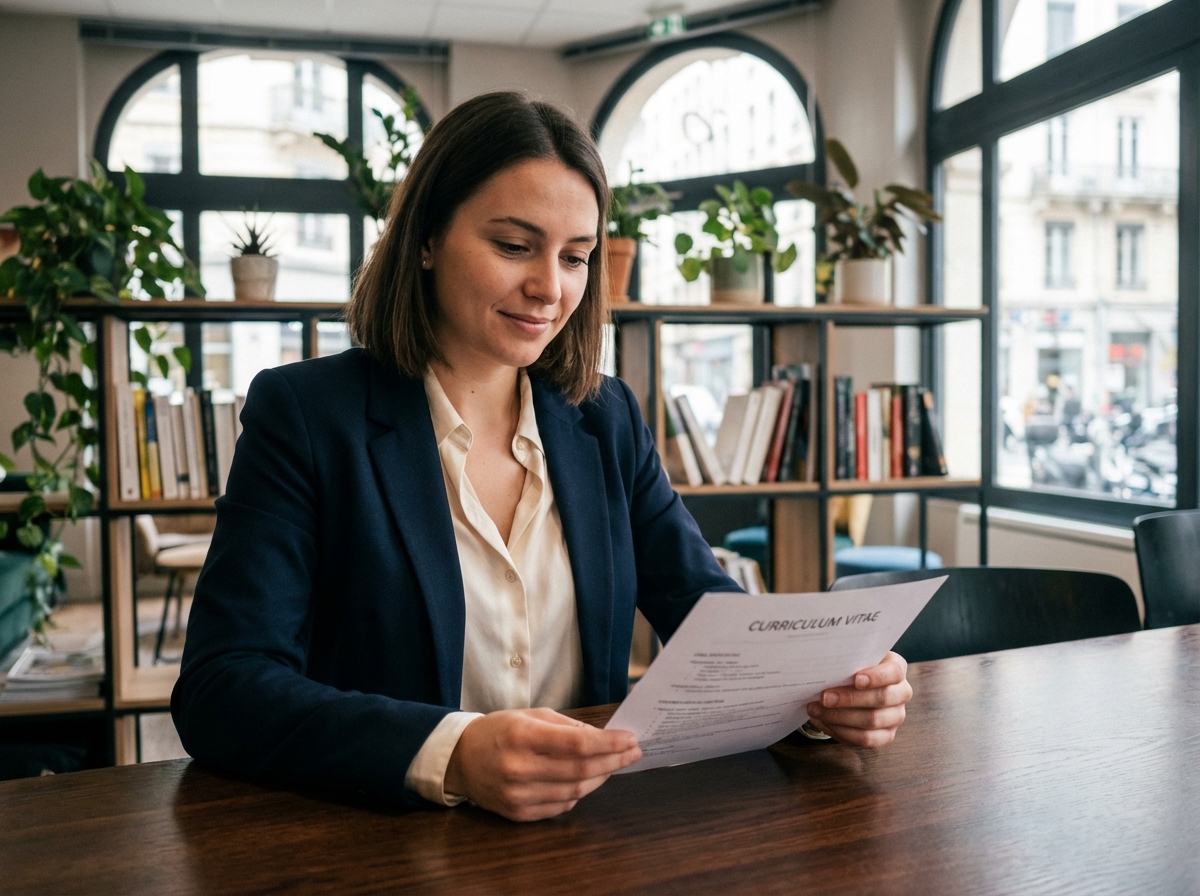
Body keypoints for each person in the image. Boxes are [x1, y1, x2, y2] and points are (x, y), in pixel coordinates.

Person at [171, 92, 913, 822]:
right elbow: (222, 688)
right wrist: (454, 753)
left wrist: (824, 697)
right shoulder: (306, 415)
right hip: (383, 846)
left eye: (576, 257)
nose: (549, 289)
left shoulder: (606, 418)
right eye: (514, 246)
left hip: (584, 842)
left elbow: (708, 618)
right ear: (426, 238)